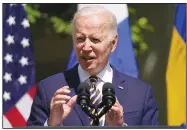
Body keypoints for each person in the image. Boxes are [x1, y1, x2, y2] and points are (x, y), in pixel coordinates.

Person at [27, 5, 159, 126]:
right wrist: (52, 125)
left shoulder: (141, 93)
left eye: (95, 39)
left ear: (113, 44)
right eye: (80, 39)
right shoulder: (49, 90)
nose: (86, 47)